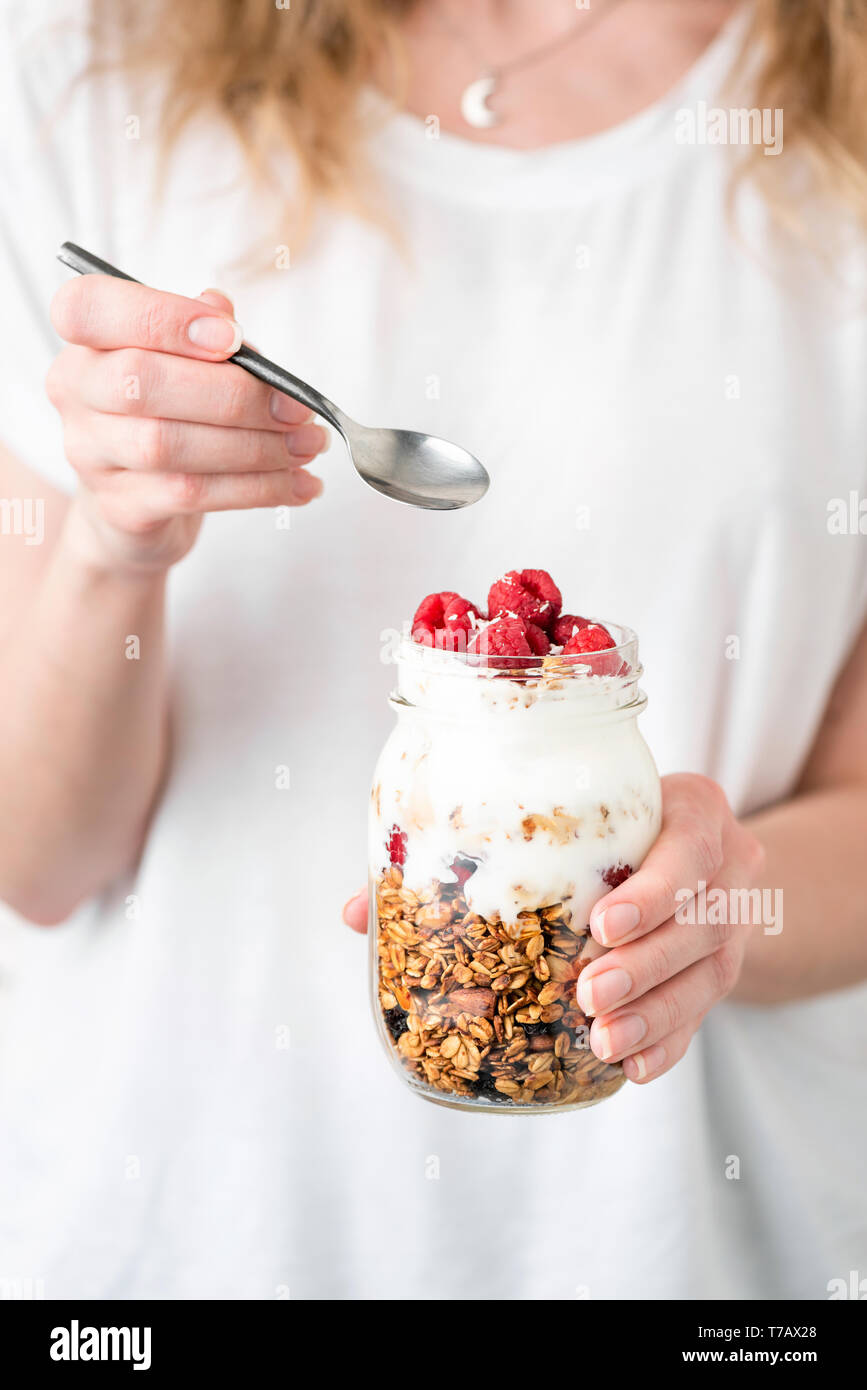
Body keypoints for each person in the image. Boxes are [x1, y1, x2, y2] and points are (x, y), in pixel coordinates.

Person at [0, 0, 865, 1301]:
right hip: (184, 1249)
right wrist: (111, 546)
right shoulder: (83, 72)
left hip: (677, 1263)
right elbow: (39, 856)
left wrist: (723, 899)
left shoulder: (832, 124)